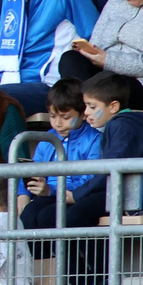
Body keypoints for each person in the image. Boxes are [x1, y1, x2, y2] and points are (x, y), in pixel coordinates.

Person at [69, 71, 143, 285]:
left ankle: (97, 282)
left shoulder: (123, 126)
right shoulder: (123, 123)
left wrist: (77, 194)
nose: (86, 113)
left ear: (113, 106)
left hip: (138, 197)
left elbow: (110, 170)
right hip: (125, 193)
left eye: (92, 107)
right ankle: (90, 281)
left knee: (73, 216)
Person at [19, 78, 105, 241]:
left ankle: (55, 263)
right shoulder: (48, 138)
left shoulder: (94, 140)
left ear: (82, 113)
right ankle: (36, 264)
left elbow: (90, 181)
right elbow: (33, 169)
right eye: (53, 116)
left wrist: (50, 189)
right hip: (49, 194)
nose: (58, 123)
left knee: (48, 217)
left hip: (73, 197)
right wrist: (23, 193)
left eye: (65, 117)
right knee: (28, 216)